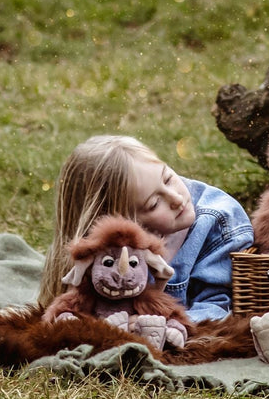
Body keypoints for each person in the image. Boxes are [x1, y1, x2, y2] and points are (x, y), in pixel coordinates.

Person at [39, 134, 252, 325]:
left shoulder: (219, 224)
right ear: (121, 222)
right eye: (153, 204)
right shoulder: (107, 248)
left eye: (168, 178)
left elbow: (217, 307)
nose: (176, 198)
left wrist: (160, 326)